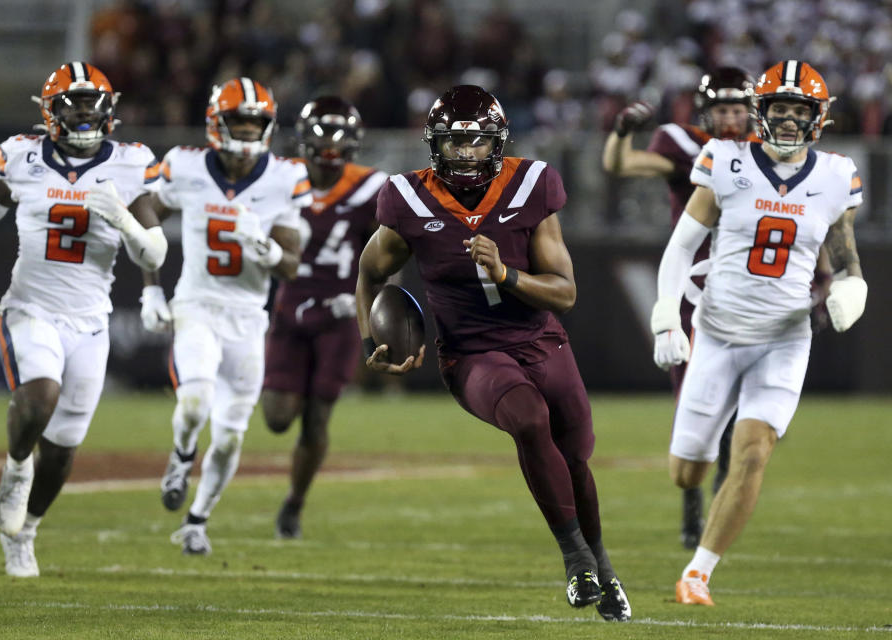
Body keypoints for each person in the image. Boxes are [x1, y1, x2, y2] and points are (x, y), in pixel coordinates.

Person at [355, 85, 632, 621]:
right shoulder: (409, 199)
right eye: (453, 143)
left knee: (575, 456)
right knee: (529, 420)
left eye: (476, 142)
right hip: (472, 354)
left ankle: (604, 566)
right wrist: (372, 339)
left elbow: (566, 293)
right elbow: (370, 272)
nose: (464, 154)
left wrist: (506, 274)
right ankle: (576, 559)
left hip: (542, 341)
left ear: (496, 142)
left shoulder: (531, 185)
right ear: (434, 144)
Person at [651, 61, 867, 605]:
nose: (790, 120)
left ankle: (698, 572)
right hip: (718, 333)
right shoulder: (725, 159)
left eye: (800, 111)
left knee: (753, 450)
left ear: (818, 118)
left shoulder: (836, 174)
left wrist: (850, 290)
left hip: (785, 338)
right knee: (686, 472)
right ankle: (698, 483)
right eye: (780, 109)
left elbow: (845, 259)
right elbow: (681, 246)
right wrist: (665, 316)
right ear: (760, 112)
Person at [0, 62, 168, 577]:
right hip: (32, 308)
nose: (82, 113)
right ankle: (13, 467)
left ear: (109, 110)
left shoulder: (130, 163)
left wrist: (123, 219)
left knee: (63, 449)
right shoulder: (23, 157)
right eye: (72, 103)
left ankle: (25, 532)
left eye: (91, 103)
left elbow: (155, 254)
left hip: (90, 322)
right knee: (40, 394)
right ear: (50, 112)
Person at [144, 77, 312, 555]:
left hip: (247, 314)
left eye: (253, 125)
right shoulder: (185, 166)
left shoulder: (285, 176)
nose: (244, 136)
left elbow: (293, 263)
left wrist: (264, 248)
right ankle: (180, 456)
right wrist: (152, 290)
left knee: (230, 440)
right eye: (236, 124)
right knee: (195, 402)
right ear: (216, 125)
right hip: (197, 303)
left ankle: (197, 521)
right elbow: (145, 222)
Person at [602, 67, 756, 549]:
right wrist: (623, 131)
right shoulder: (685, 145)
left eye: (738, 108)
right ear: (706, 111)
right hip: (692, 290)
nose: (730, 118)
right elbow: (621, 165)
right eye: (723, 109)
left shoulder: (768, 155)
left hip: (749, 291)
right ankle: (692, 503)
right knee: (694, 401)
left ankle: (719, 496)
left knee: (741, 410)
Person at [260, 96, 387, 539]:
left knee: (316, 418)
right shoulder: (280, 178)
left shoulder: (371, 187)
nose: (329, 151)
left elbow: (388, 256)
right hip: (290, 306)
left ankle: (294, 504)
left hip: (338, 314)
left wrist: (366, 301)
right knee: (276, 416)